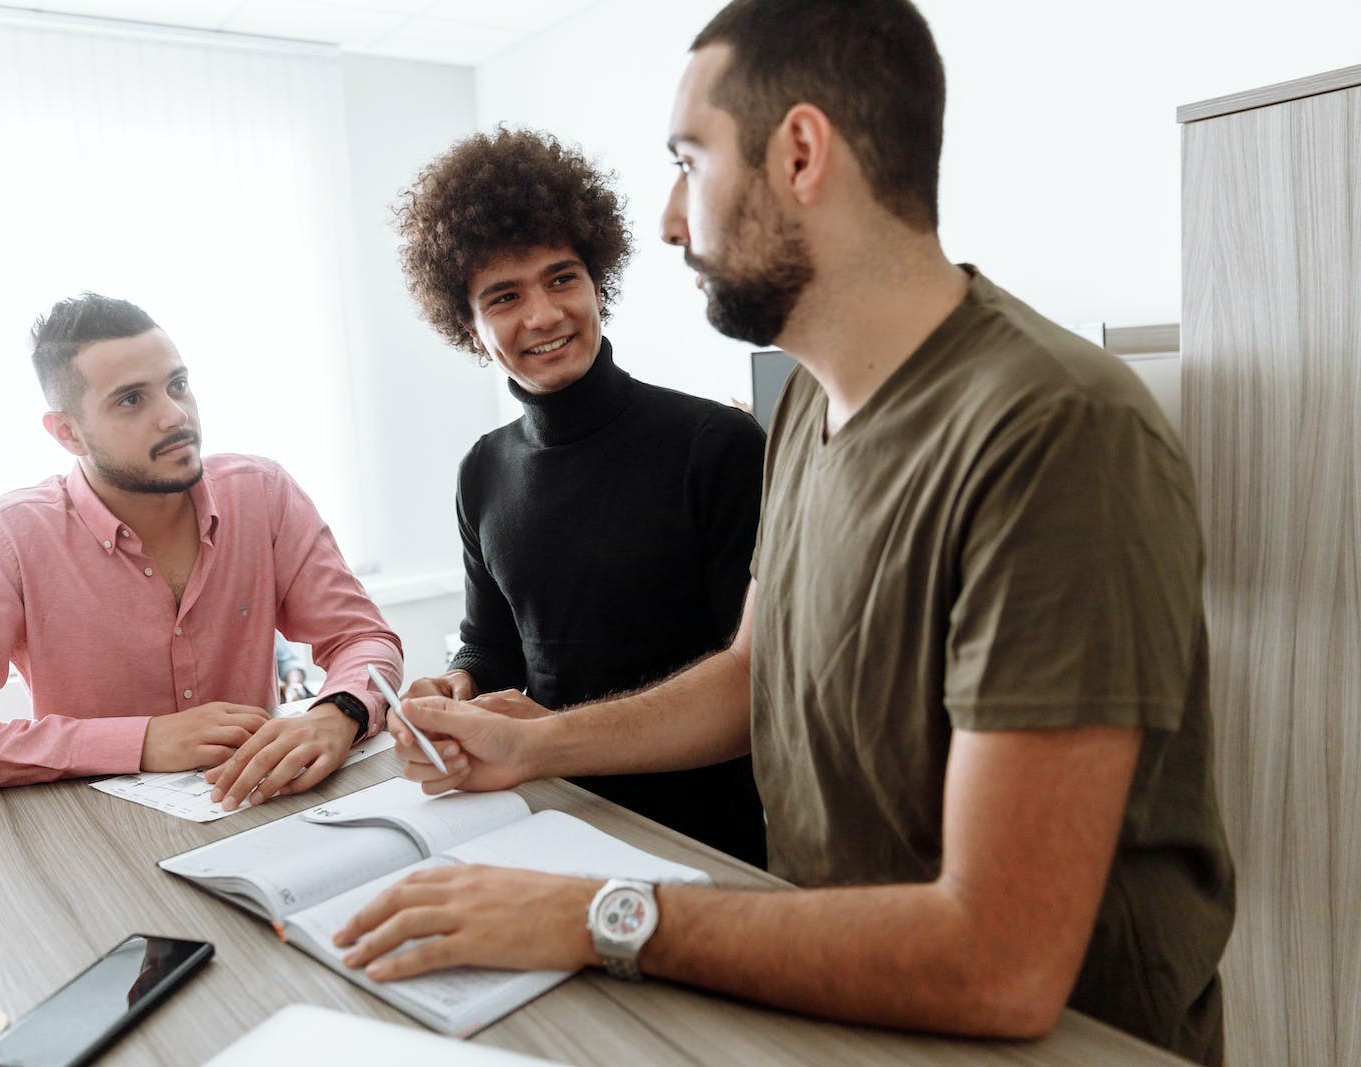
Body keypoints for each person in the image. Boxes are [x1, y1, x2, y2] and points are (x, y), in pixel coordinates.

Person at [333, 3, 1235, 1063]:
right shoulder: (808, 406)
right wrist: (531, 743)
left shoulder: (1055, 429)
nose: (670, 220)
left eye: (689, 160)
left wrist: (592, 912)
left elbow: (997, 956)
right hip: (844, 999)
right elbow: (756, 673)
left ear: (800, 153)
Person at [0, 294, 403, 801]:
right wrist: (140, 742)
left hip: (259, 807)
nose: (175, 415)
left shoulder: (263, 492)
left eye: (178, 384)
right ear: (67, 432)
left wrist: (339, 713)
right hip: (98, 842)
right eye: (131, 399)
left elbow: (362, 638)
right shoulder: (5, 537)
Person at [392, 127, 767, 865]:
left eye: (562, 278)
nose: (543, 315)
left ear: (599, 281)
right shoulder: (482, 471)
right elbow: (492, 645)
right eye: (504, 296)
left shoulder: (717, 446)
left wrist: (539, 736)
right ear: (468, 328)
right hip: (542, 816)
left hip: (697, 841)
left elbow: (754, 688)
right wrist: (458, 686)